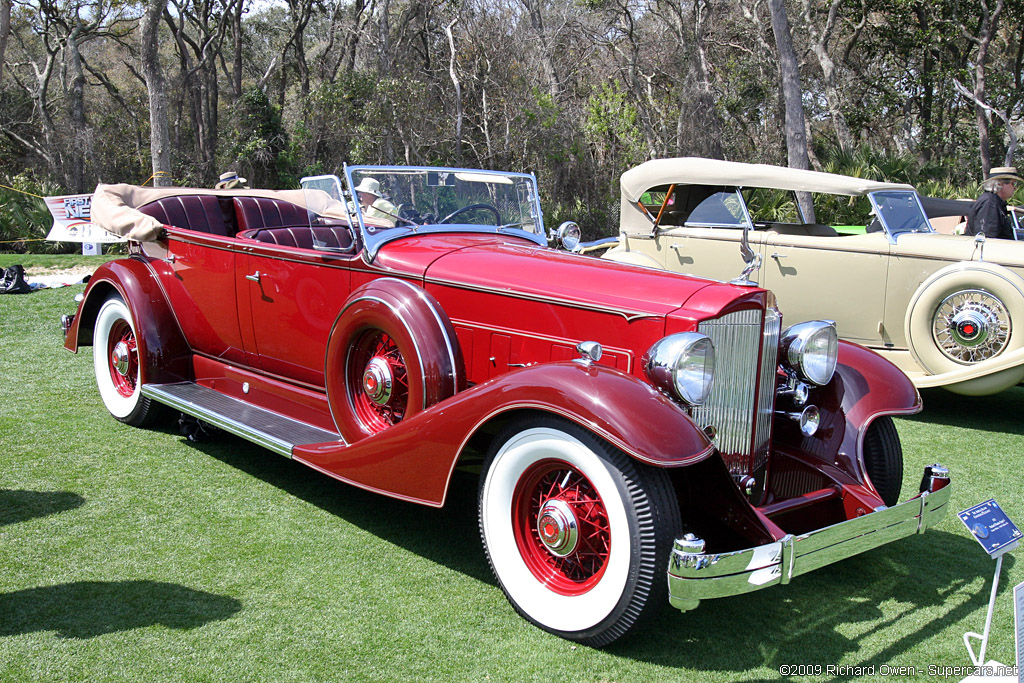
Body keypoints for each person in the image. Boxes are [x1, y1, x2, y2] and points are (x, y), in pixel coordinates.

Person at [966, 166, 1022, 239]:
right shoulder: (990, 204)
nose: (1015, 188)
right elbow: (987, 238)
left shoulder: (994, 201)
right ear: (999, 184)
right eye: (1012, 183)